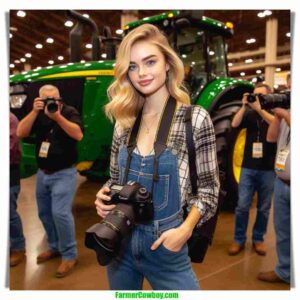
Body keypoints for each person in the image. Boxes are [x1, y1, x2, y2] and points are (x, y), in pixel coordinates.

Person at [94, 24, 219, 290]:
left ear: (167, 64)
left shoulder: (194, 119)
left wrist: (184, 231)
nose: (142, 73)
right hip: (120, 243)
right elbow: (114, 180)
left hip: (167, 247)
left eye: (150, 62)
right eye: (133, 66)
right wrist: (104, 197)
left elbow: (209, 190)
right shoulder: (123, 122)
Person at [16, 84, 83, 278]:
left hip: (64, 173)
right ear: (39, 99)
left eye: (54, 99)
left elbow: (78, 134)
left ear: (60, 98)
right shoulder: (38, 114)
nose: (51, 102)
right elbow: (21, 132)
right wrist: (34, 112)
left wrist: (57, 117)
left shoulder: (69, 112)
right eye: (46, 99)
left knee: (60, 214)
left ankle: (70, 255)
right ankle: (54, 247)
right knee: (45, 214)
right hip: (43, 174)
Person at [228, 83, 277, 256]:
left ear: (268, 97)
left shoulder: (274, 114)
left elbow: (275, 125)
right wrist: (244, 106)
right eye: (254, 95)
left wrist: (261, 109)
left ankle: (258, 239)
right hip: (248, 167)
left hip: (268, 169)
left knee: (264, 208)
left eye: (260, 96)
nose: (256, 99)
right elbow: (234, 123)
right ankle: (239, 239)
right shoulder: (248, 114)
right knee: (242, 206)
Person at [257, 91, 291, 284]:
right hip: (281, 183)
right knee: (283, 231)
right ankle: (284, 271)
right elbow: (271, 138)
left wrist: (286, 115)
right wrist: (279, 117)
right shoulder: (288, 113)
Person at [10, 112, 26, 267]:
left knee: (8, 213)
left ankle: (18, 248)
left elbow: (9, 148)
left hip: (9, 175)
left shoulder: (9, 119)